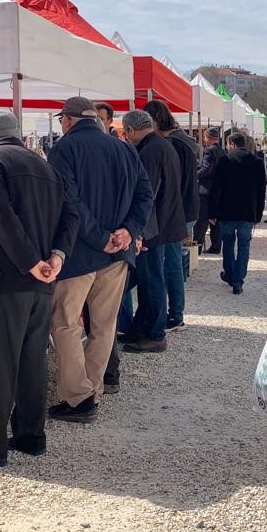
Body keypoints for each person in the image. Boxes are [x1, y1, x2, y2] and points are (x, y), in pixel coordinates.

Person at [0, 111, 79, 468]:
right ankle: (30, 436)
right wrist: (55, 257)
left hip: (5, 275)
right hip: (43, 276)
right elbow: (73, 214)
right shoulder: (45, 165)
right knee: (32, 359)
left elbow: (0, 217)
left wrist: (28, 262)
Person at [47, 97, 153, 423]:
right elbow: (145, 195)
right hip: (118, 253)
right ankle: (89, 391)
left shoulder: (64, 149)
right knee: (104, 327)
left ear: (67, 119)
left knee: (65, 324)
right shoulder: (122, 147)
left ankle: (79, 397)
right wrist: (127, 231)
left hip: (80, 253)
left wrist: (101, 236)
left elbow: (70, 202)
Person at [122, 110, 184, 353]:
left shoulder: (150, 151)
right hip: (164, 223)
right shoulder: (163, 145)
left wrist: (139, 232)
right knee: (150, 279)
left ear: (130, 131)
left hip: (154, 228)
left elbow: (146, 196)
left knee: (152, 281)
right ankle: (142, 328)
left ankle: (155, 333)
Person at [143, 100, 198, 330]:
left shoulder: (171, 143)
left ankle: (174, 316)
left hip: (176, 211)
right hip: (185, 208)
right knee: (173, 263)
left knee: (170, 264)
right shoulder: (184, 141)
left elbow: (169, 184)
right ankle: (176, 314)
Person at [209, 132, 266, 294]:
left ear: (231, 144)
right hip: (248, 211)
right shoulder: (257, 162)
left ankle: (230, 273)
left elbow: (215, 189)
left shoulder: (224, 161)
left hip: (226, 210)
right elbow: (261, 191)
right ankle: (238, 280)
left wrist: (211, 212)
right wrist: (258, 214)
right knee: (244, 246)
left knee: (227, 244)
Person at [194, 127, 225, 254]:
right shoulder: (222, 151)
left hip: (206, 189)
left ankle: (198, 247)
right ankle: (216, 246)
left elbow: (206, 169)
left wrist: (194, 175)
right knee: (215, 221)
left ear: (209, 138)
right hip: (218, 189)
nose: (204, 140)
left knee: (201, 222)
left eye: (205, 137)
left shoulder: (209, 151)